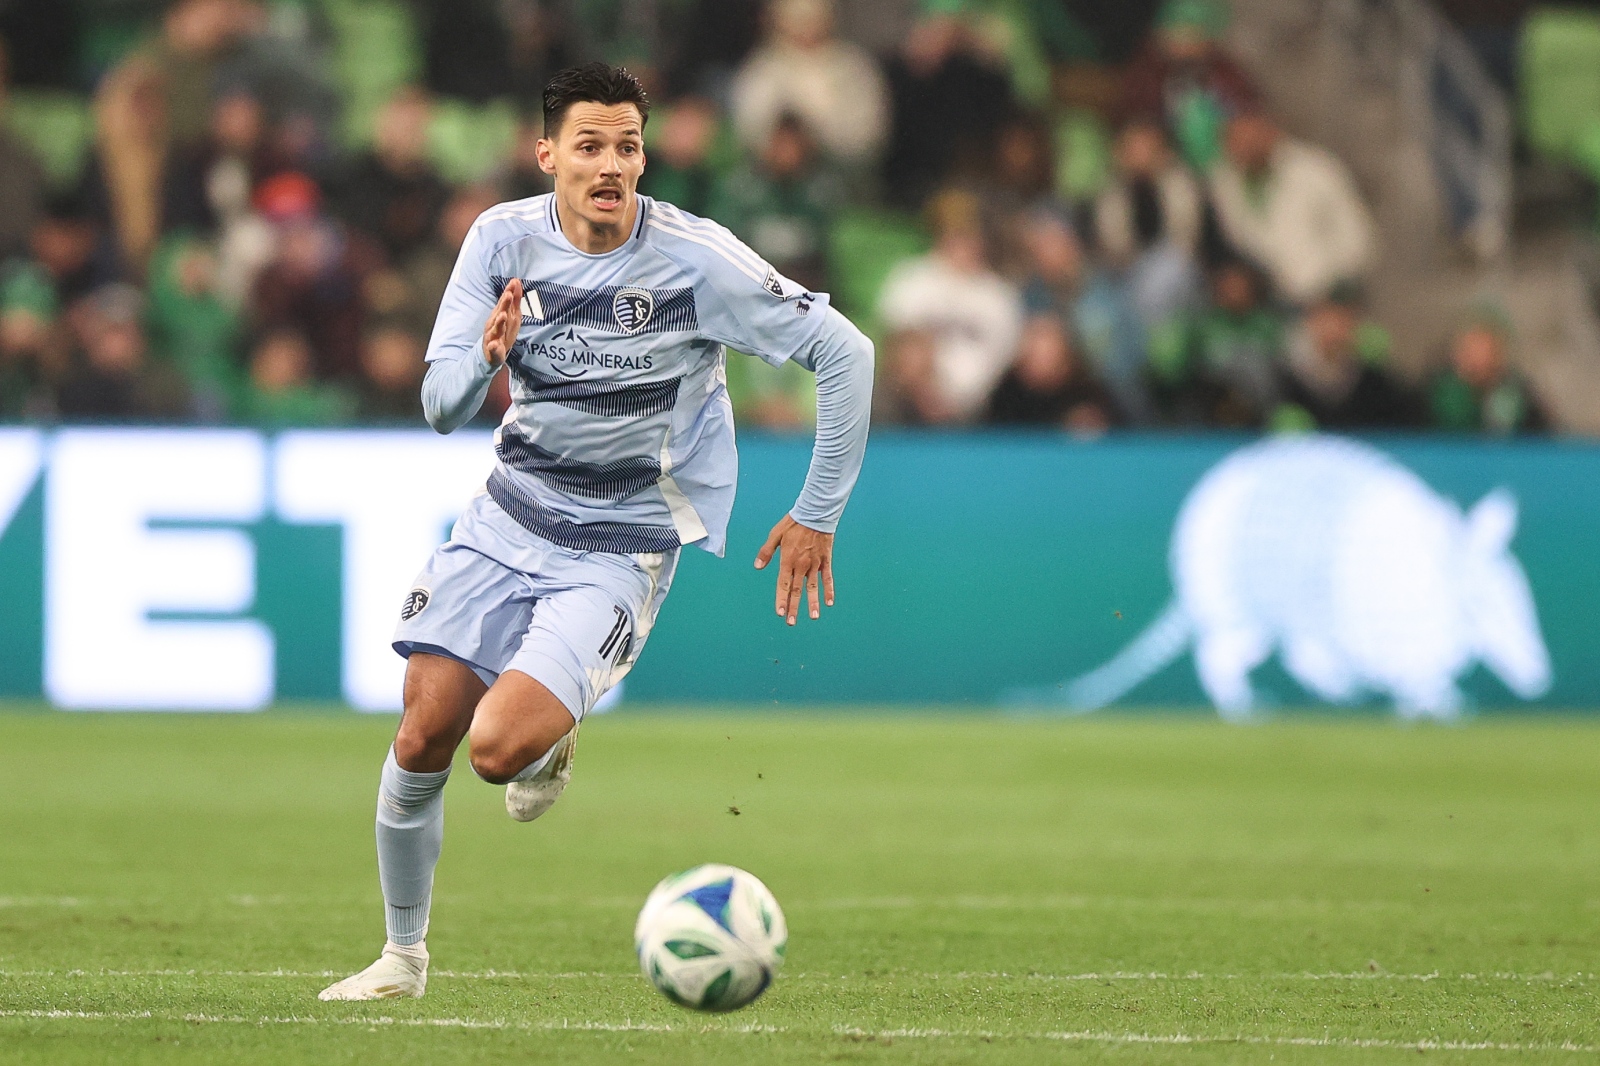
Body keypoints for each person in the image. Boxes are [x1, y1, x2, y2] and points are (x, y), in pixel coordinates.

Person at [317, 63, 873, 1001]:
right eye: (589, 146)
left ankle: (550, 737)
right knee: (421, 733)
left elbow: (846, 352)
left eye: (627, 147)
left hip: (620, 540)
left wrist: (817, 512)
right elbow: (440, 405)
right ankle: (402, 960)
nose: (611, 164)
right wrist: (486, 357)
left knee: (496, 749)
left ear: (643, 159)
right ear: (548, 156)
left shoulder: (696, 261)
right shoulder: (500, 241)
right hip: (509, 512)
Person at [876, 188, 1022, 424]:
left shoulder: (1000, 296)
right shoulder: (911, 280)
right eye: (956, 233)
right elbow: (895, 351)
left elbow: (1006, 363)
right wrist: (925, 389)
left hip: (982, 415)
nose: (963, 243)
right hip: (911, 409)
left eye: (970, 234)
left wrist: (961, 399)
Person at [1208, 110, 1376, 308]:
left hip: (1331, 293)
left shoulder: (1314, 169)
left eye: (1251, 137)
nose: (1245, 147)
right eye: (1237, 141)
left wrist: (1338, 290)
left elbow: (1356, 235)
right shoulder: (1225, 186)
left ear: (1270, 132)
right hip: (1272, 299)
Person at [1427, 308, 1549, 434]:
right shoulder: (1435, 392)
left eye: (1484, 347)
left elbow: (1545, 435)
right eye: (1469, 347)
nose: (1474, 358)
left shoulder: (1519, 396)